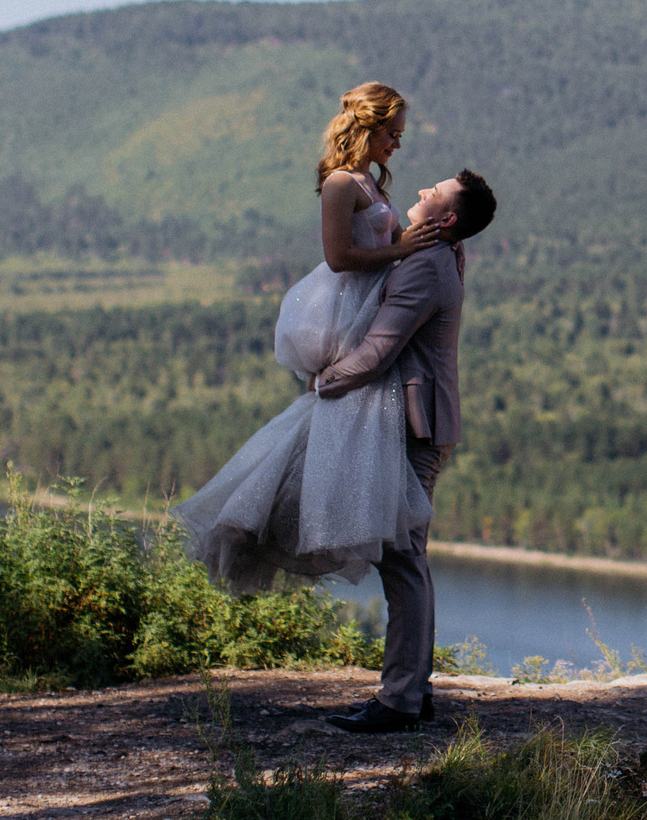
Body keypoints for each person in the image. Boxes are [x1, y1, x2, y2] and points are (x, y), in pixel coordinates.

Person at [170, 83, 449, 593]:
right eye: (393, 133)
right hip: (353, 311)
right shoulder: (342, 184)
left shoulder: (370, 182)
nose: (398, 145)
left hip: (375, 309)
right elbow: (339, 257)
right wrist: (401, 249)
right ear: (368, 127)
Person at [319, 166, 500, 735]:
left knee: (401, 559)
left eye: (435, 193)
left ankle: (399, 699)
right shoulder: (441, 254)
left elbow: (377, 352)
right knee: (408, 556)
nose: (422, 190)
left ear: (446, 220)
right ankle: (411, 690)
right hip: (426, 422)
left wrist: (323, 381)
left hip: (418, 426)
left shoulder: (425, 265)